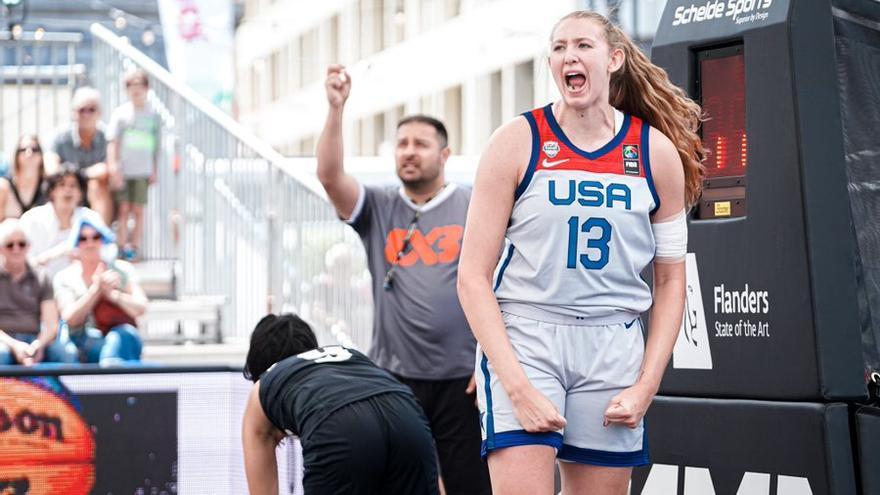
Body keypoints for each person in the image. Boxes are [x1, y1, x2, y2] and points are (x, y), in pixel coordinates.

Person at [456, 10, 704, 495]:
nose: (569, 55)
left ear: (613, 58)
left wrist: (646, 384)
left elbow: (673, 281)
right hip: (528, 333)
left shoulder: (653, 153)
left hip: (612, 340)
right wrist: (518, 387)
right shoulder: (516, 141)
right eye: (559, 47)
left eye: (583, 45)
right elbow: (471, 278)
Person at [315, 65, 491, 494]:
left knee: (471, 484)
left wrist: (490, 356)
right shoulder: (379, 206)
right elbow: (330, 176)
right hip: (395, 378)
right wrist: (336, 109)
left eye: (421, 144)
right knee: (401, 485)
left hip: (462, 381)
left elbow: (504, 281)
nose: (409, 152)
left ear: (445, 155)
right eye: (402, 144)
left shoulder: (474, 204)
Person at [241, 313, 439, 495]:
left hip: (339, 423)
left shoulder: (264, 387)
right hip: (405, 410)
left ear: (261, 370)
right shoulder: (345, 357)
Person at [54, 217, 146, 364]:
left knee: (120, 336)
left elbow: (141, 307)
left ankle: (110, 372)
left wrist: (113, 295)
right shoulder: (64, 277)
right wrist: (96, 290)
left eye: (95, 237)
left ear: (102, 240)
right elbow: (69, 317)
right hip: (84, 342)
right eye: (83, 238)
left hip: (124, 339)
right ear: (76, 243)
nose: (90, 243)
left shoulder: (123, 270)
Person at [0, 219, 77, 365]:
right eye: (10, 245)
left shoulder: (42, 276)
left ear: (28, 247)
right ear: (0, 249)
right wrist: (15, 346)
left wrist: (38, 345)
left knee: (67, 353)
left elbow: (51, 324)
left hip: (35, 338)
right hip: (4, 340)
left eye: (21, 244)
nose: (16, 249)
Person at [107, 69, 162, 261]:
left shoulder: (153, 114)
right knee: (123, 209)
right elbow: (113, 142)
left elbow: (156, 145)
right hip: (125, 169)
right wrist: (114, 167)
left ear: (146, 88)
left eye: (139, 86)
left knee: (138, 210)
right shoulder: (121, 114)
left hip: (142, 170)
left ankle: (134, 248)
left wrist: (154, 169)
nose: (136, 90)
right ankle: (122, 246)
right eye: (131, 86)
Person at [19, 163, 103, 278]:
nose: (67, 190)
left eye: (73, 186)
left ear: (80, 194)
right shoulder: (32, 219)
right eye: (62, 185)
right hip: (39, 285)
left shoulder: (91, 219)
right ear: (52, 191)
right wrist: (56, 254)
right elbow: (19, 263)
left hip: (81, 286)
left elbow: (108, 253)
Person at [45, 86, 113, 224]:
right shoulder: (59, 137)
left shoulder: (108, 137)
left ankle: (99, 234)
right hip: (66, 187)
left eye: (91, 109)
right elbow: (51, 169)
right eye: (82, 110)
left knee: (97, 185)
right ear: (73, 113)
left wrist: (79, 175)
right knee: (65, 188)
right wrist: (76, 179)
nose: (86, 114)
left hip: (95, 191)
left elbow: (107, 169)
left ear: (99, 113)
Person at [0, 134, 47, 221]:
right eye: (23, 150)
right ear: (16, 156)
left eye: (34, 150)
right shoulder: (3, 188)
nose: (29, 154)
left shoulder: (48, 188)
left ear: (41, 156)